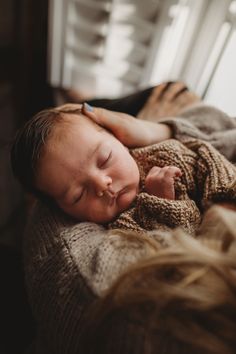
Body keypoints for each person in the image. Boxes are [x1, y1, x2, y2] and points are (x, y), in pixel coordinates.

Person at [11, 102, 236, 236]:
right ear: (63, 212)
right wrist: (163, 203)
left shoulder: (163, 154)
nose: (102, 184)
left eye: (105, 158)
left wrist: (224, 198)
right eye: (78, 195)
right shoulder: (120, 229)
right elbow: (172, 252)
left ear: (120, 140)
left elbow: (209, 160)